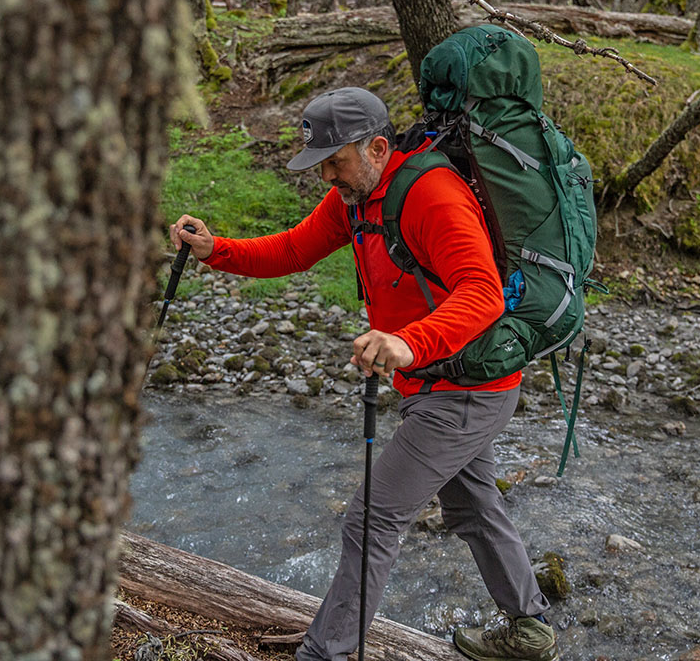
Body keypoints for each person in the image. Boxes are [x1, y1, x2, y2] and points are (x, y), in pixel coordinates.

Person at [169, 87, 555, 661]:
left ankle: (325, 653)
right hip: (435, 381)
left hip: (467, 390)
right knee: (473, 505)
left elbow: (483, 293)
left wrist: (406, 342)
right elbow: (294, 250)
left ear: (377, 147)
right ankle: (531, 630)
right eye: (320, 163)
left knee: (371, 517)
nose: (327, 175)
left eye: (335, 161)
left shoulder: (432, 195)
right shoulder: (356, 197)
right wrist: (215, 250)